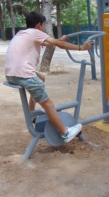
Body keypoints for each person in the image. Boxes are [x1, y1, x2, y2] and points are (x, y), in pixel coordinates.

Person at [5, 11, 92, 143]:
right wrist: (82, 47)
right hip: (24, 74)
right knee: (48, 103)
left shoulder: (22, 33)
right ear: (39, 24)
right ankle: (65, 132)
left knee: (41, 78)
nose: (44, 27)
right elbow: (59, 46)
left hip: (11, 74)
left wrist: (60, 39)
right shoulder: (36, 32)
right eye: (44, 24)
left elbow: (48, 43)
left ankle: (32, 114)